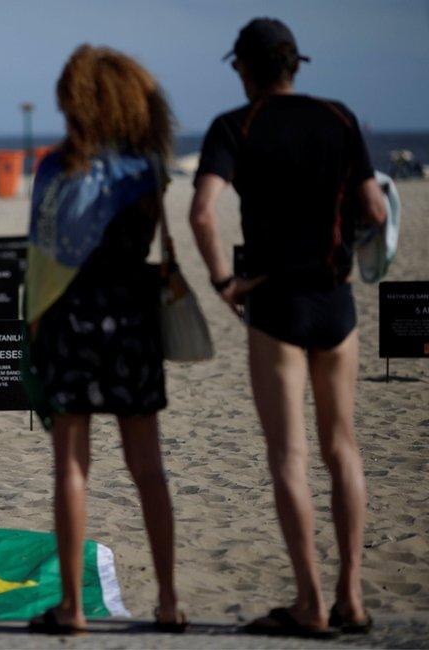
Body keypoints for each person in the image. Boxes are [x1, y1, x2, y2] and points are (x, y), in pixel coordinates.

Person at [189, 18, 386, 638]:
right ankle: (352, 597)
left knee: (289, 457)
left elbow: (201, 213)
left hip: (276, 304)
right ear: (294, 64)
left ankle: (310, 604)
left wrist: (225, 283)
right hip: (335, 301)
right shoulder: (341, 116)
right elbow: (376, 209)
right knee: (343, 448)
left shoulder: (234, 125)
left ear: (243, 68)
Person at [22, 45, 186, 635]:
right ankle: (168, 601)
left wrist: (34, 330)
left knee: (71, 466)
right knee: (149, 466)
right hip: (133, 316)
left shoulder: (56, 169)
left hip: (71, 317)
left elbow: (40, 258)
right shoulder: (146, 169)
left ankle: (72, 607)